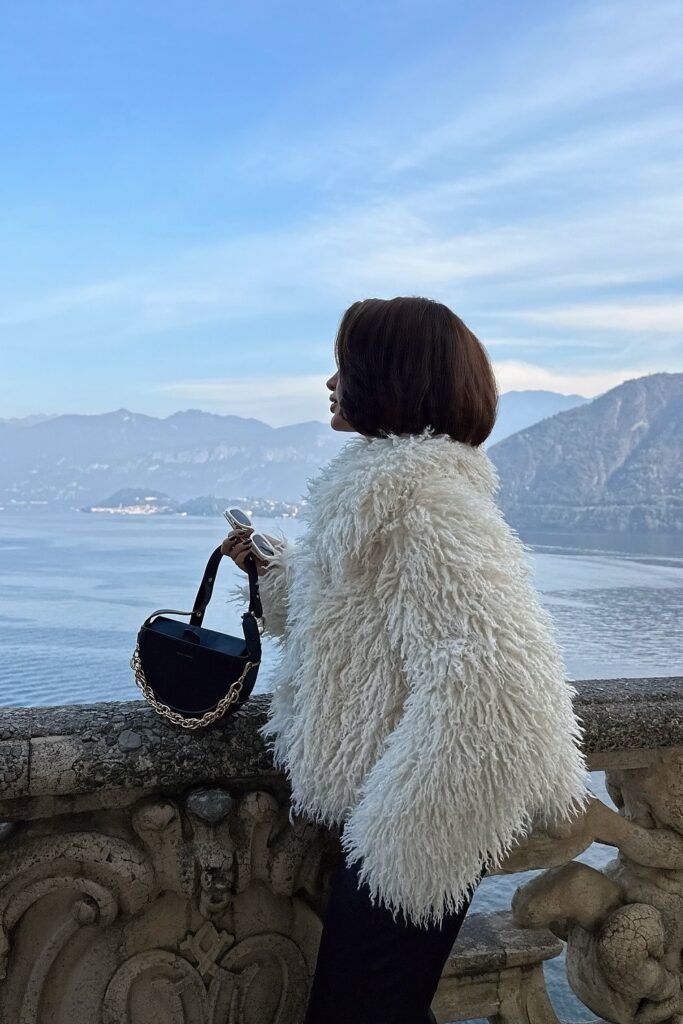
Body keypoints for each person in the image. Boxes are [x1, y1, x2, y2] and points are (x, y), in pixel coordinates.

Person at [222, 296, 592, 1024]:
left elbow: (495, 684)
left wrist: (399, 843)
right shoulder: (379, 494)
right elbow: (351, 634)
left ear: (389, 378)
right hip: (383, 820)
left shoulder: (425, 502)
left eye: (347, 365)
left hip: (410, 834)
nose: (330, 382)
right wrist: (272, 570)